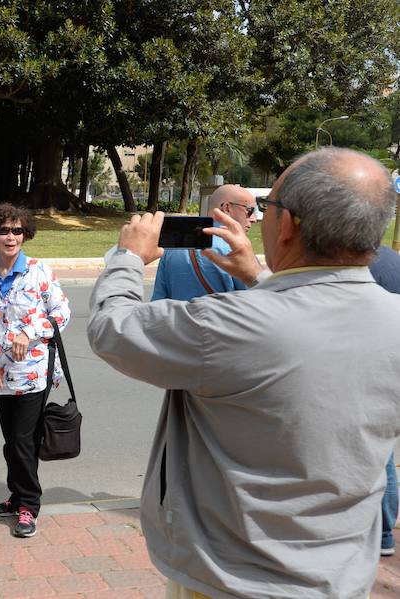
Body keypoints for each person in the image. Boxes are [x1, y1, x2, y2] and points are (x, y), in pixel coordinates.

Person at [85, 147, 400, 598]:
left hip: (231, 578)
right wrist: (258, 276)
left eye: (266, 208)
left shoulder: (229, 324)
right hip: (342, 576)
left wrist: (127, 257)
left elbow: (111, 329)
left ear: (287, 225)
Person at [0, 203, 70, 538]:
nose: (11, 237)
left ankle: (29, 505)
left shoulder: (40, 272)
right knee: (10, 441)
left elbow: (61, 313)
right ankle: (16, 495)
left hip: (34, 372)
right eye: (4, 230)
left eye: (17, 230)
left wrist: (32, 331)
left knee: (23, 440)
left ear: (25, 233)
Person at [151, 185, 258, 300]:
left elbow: (158, 300)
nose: (254, 218)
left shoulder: (172, 248)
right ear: (227, 208)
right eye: (249, 211)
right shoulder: (237, 249)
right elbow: (257, 301)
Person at [368, 245, 400, 557]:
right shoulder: (392, 259)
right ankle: (385, 534)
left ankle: (382, 534)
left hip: (371, 366)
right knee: (384, 450)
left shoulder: (362, 266)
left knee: (381, 457)